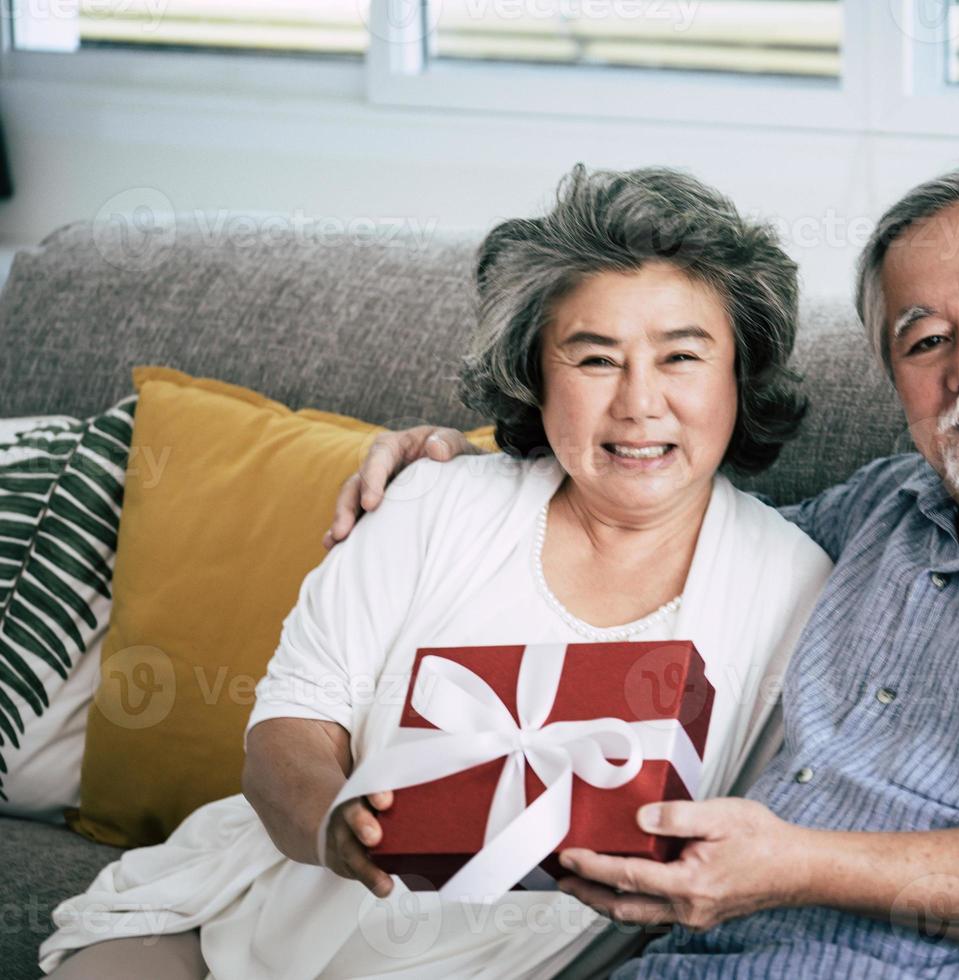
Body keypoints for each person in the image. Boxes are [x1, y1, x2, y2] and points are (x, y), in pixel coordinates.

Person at [337, 149, 959, 978]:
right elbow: (653, 518)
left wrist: (796, 867)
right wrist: (474, 464)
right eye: (923, 339)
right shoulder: (882, 508)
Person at [38, 165, 833, 979]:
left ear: (741, 373)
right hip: (259, 913)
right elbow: (288, 735)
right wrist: (331, 824)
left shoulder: (798, 590)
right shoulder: (433, 505)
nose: (639, 403)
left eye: (681, 358)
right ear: (536, 374)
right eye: (596, 360)